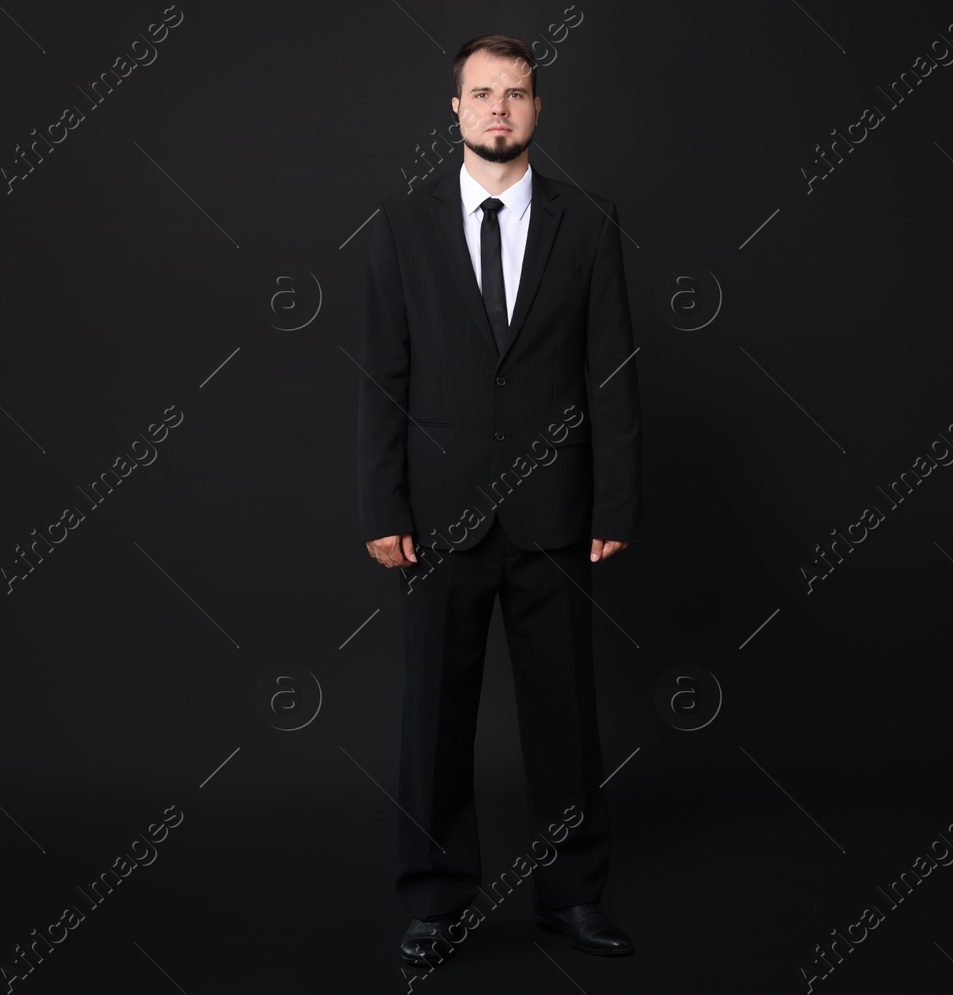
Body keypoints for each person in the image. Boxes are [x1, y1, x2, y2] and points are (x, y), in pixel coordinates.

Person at [355, 33, 643, 969]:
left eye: (514, 94)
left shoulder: (589, 224)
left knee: (565, 719)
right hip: (436, 520)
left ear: (536, 109)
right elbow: (384, 380)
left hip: (558, 517)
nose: (497, 110)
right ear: (455, 108)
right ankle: (437, 901)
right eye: (481, 93)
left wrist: (615, 504)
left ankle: (572, 898)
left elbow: (614, 380)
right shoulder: (400, 226)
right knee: (433, 718)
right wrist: (381, 504)